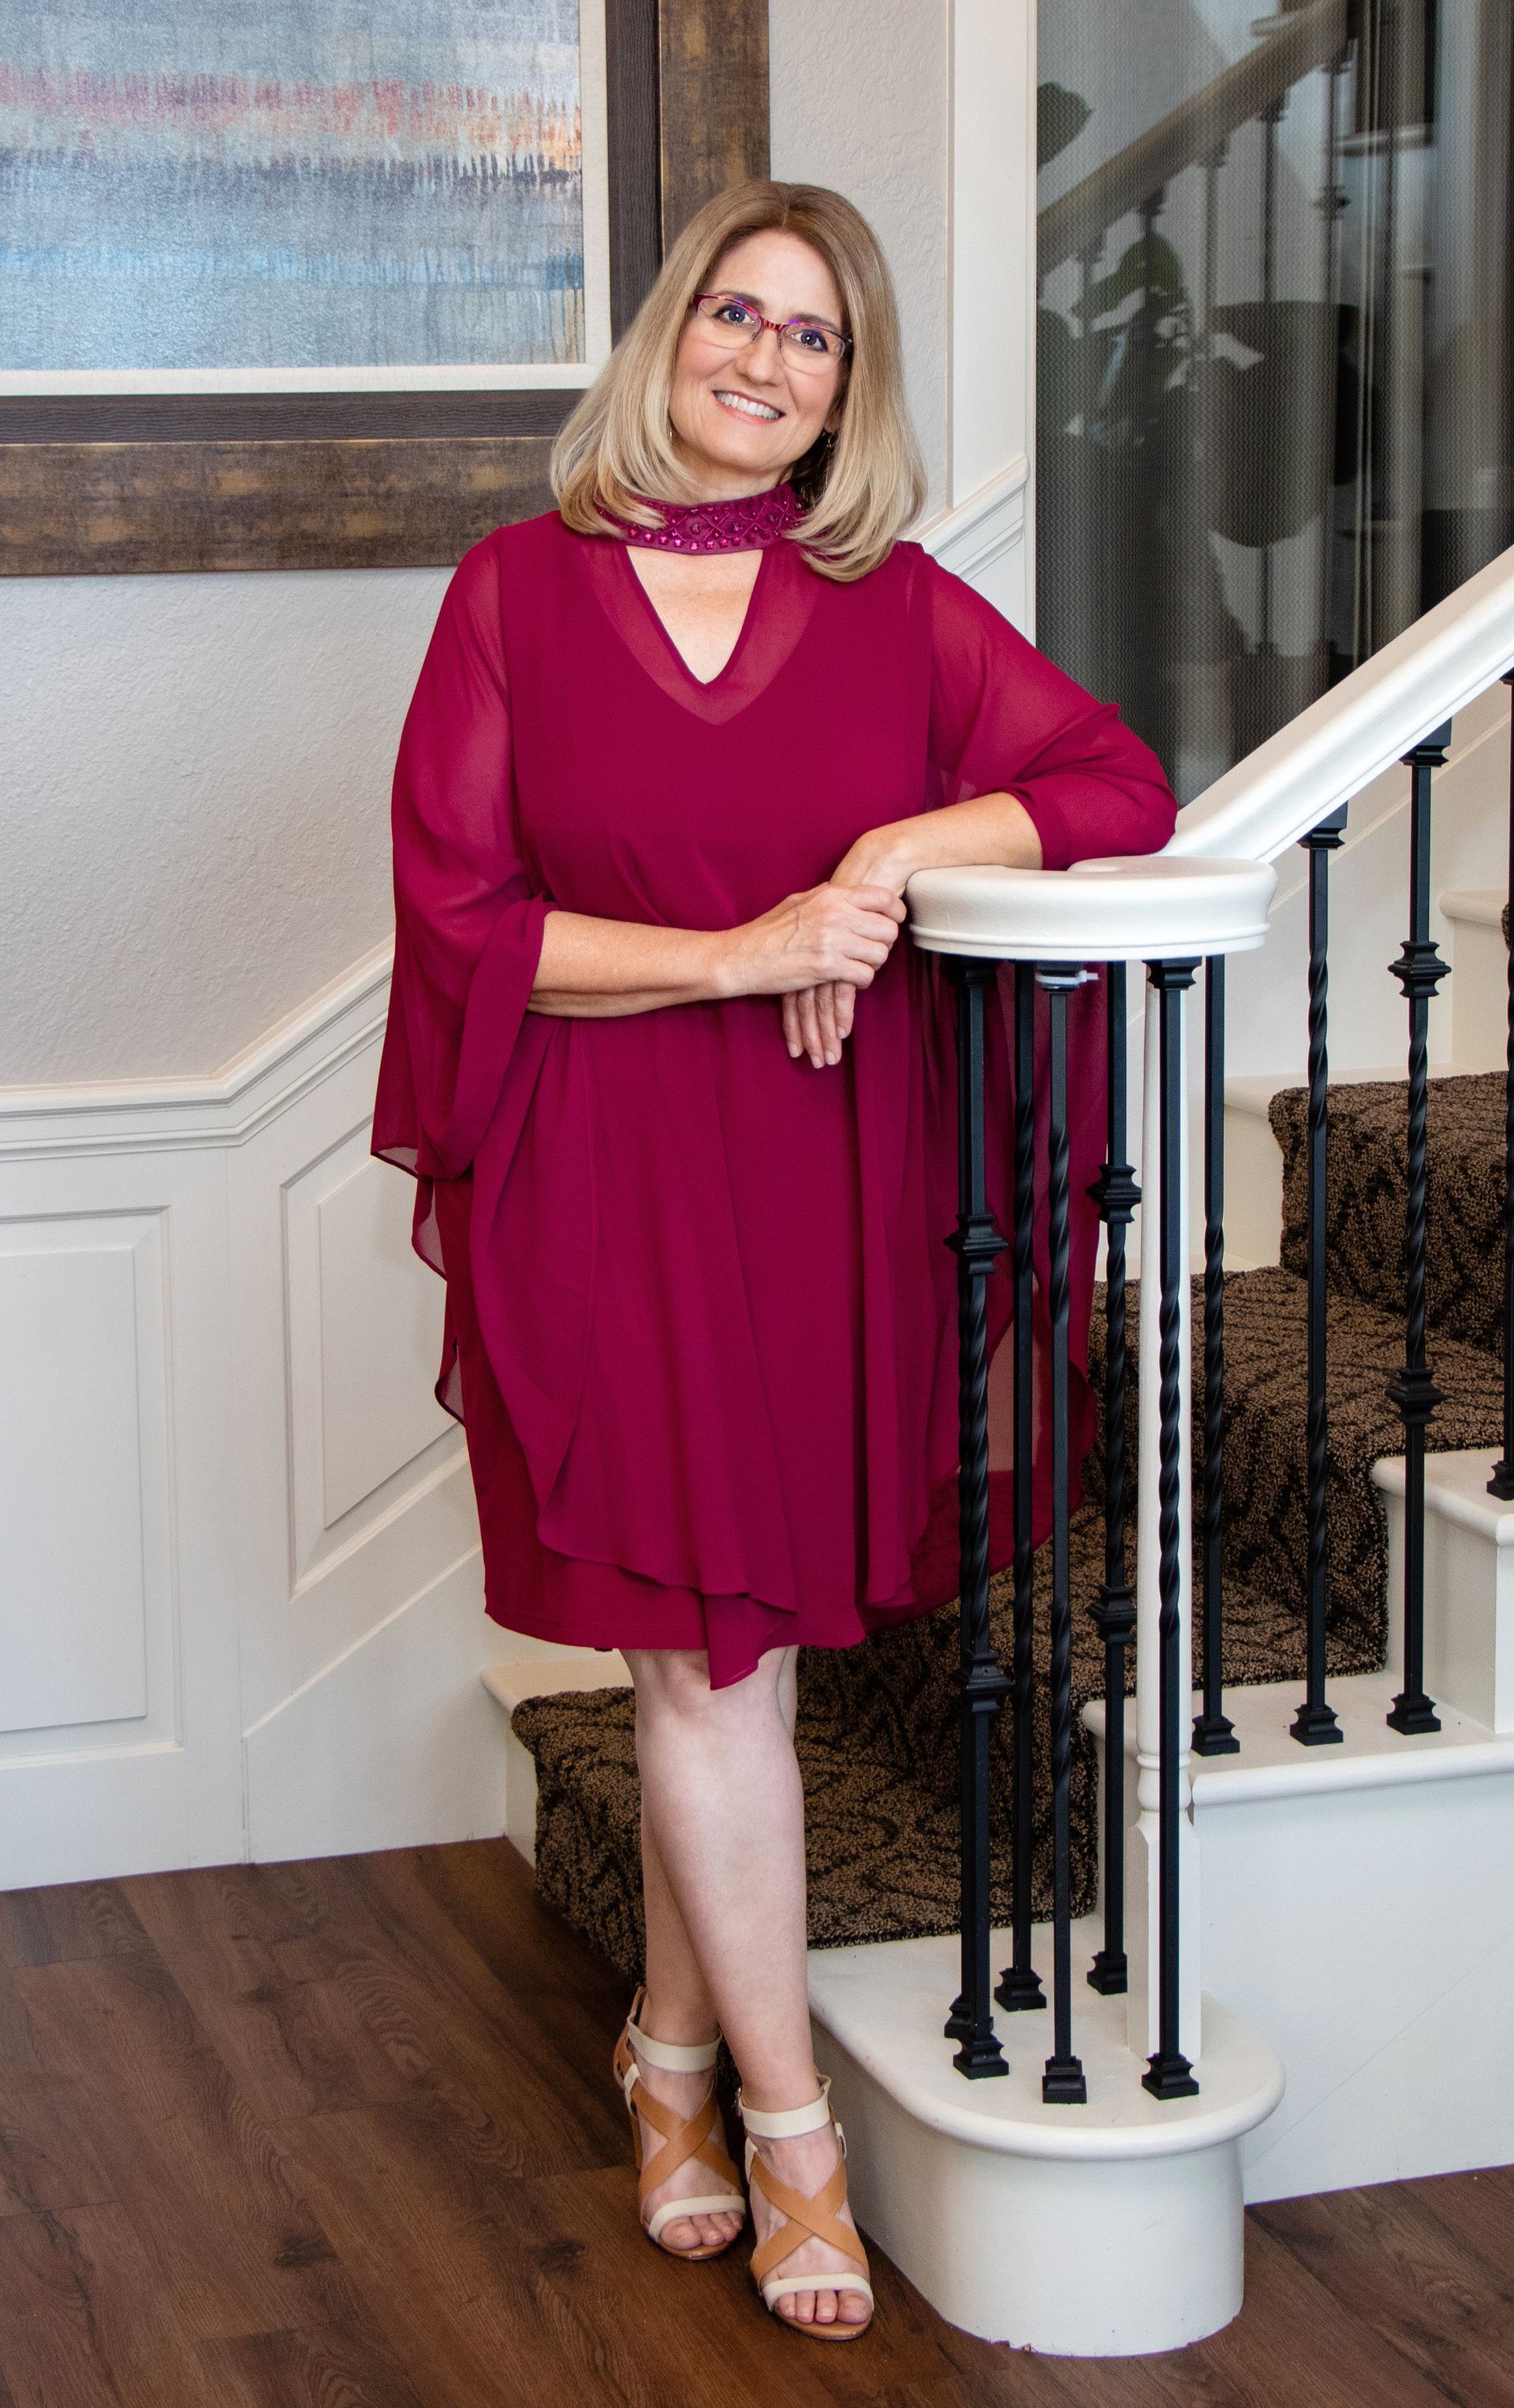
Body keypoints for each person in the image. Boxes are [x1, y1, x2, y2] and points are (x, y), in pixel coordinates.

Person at [372, 178, 1177, 2343]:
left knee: (719, 1666)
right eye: (737, 313)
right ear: (671, 337)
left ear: (849, 389)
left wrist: (895, 850)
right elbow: (465, 928)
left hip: (826, 1189)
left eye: (812, 337)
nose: (763, 359)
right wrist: (746, 952)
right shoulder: (517, 598)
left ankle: (664, 2062)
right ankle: (794, 2127)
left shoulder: (899, 609)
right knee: (711, 1672)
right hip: (611, 1186)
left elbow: (1116, 784)